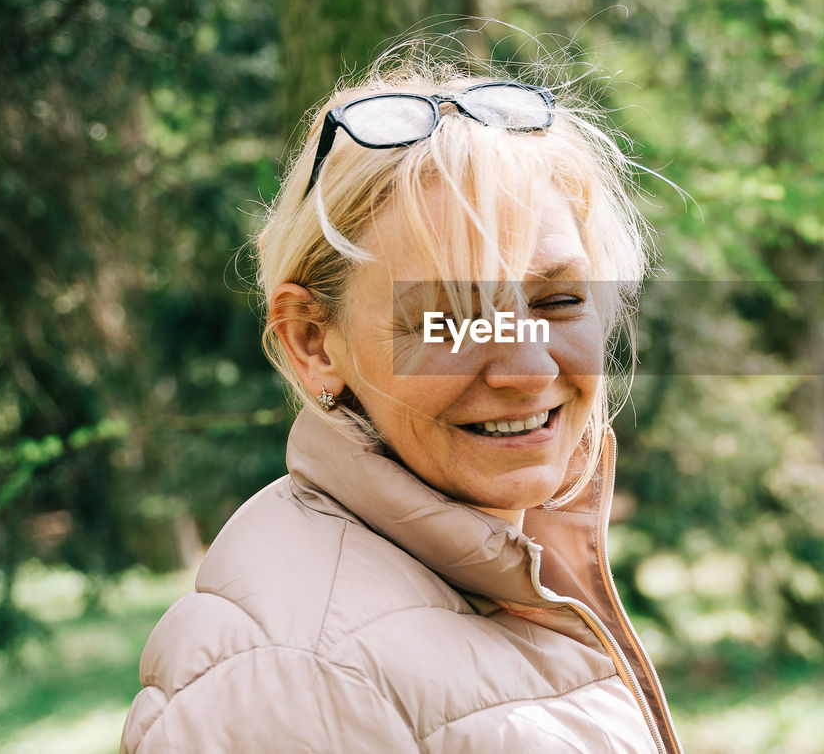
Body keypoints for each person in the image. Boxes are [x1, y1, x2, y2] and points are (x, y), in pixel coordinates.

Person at [119, 48, 682, 753]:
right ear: (312, 342)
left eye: (560, 299)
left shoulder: (509, 571)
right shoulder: (294, 680)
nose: (530, 366)